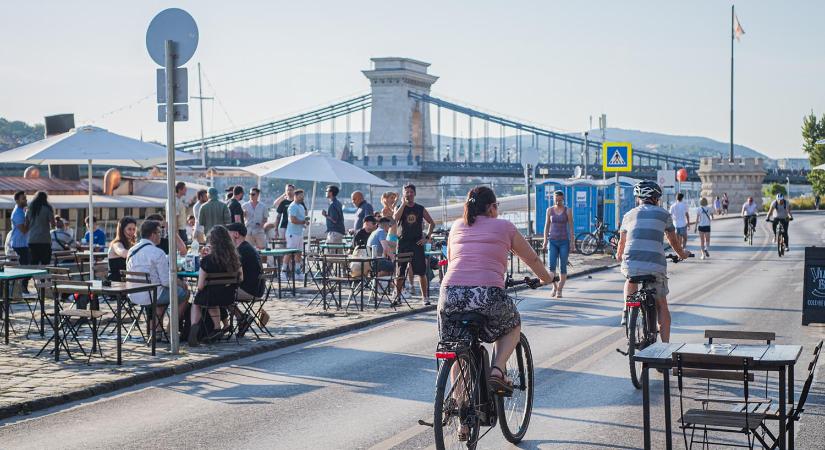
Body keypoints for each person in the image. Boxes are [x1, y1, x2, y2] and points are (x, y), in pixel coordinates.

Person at [440, 186, 555, 396]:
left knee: (456, 349)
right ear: (492, 207)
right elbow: (532, 259)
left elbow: (451, 258)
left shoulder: (456, 226)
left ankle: (460, 415)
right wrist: (546, 279)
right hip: (487, 293)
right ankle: (498, 370)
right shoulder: (505, 227)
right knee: (512, 324)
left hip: (450, 295)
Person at [616, 181, 689, 341]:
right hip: (655, 265)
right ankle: (664, 348)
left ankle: (628, 308)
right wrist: (682, 254)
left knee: (631, 278)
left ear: (639, 198)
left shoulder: (628, 215)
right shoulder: (664, 214)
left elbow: (621, 244)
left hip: (631, 263)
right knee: (662, 304)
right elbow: (673, 241)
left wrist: (619, 255)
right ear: (656, 199)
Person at [126, 220, 190, 337]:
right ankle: (171, 328)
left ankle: (158, 330)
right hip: (151, 295)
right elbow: (166, 282)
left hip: (133, 294)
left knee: (163, 294)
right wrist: (180, 283)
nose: (161, 235)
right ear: (153, 234)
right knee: (184, 293)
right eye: (160, 233)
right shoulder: (157, 252)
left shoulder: (132, 250)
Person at [188, 225, 242, 346]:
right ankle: (217, 328)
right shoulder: (235, 258)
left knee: (197, 302)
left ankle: (193, 329)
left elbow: (200, 286)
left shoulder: (207, 260)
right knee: (213, 296)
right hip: (229, 297)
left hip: (211, 297)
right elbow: (241, 278)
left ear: (212, 242)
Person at [393, 183, 436, 305]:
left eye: (411, 192)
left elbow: (432, 224)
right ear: (403, 194)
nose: (409, 194)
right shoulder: (399, 207)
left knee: (421, 272)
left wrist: (426, 238)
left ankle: (425, 298)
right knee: (400, 272)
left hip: (417, 243)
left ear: (415, 194)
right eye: (407, 192)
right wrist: (403, 204)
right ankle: (397, 296)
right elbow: (395, 219)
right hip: (403, 243)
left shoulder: (420, 208)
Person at [226, 222, 265, 337]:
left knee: (218, 293)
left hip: (250, 290)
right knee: (220, 291)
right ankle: (240, 318)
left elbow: (234, 273)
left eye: (228, 234)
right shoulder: (247, 247)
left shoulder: (241, 251)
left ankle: (237, 320)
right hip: (256, 289)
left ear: (236, 234)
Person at [542, 190, 575, 298]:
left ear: (563, 199)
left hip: (564, 242)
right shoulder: (549, 210)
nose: (558, 202)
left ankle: (560, 289)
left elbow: (571, 227)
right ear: (553, 199)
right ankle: (554, 287)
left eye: (560, 200)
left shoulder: (568, 211)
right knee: (551, 267)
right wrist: (545, 240)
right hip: (552, 241)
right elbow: (547, 226)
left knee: (562, 267)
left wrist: (572, 242)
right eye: (556, 200)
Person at [25, 191, 56, 266]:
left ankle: (33, 278)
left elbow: (26, 225)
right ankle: (44, 278)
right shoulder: (47, 209)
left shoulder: (29, 210)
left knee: (33, 263)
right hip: (45, 240)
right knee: (45, 264)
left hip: (32, 239)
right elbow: (53, 225)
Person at [285, 189, 310, 277]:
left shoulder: (301, 206)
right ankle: (283, 272)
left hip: (299, 233)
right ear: (295, 196)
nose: (302, 198)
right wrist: (303, 222)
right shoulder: (293, 206)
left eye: (303, 196)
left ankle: (297, 272)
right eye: (301, 196)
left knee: (299, 253)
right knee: (289, 252)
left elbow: (301, 219)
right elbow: (293, 220)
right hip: (292, 233)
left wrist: (305, 222)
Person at [10, 191, 30, 293]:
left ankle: (22, 288)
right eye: (23, 198)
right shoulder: (18, 212)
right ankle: (21, 289)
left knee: (28, 267)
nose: (26, 200)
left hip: (22, 244)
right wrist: (30, 219)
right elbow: (24, 230)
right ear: (17, 200)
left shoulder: (21, 211)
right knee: (26, 268)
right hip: (19, 245)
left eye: (25, 198)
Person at [108, 216, 137, 281]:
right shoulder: (116, 244)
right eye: (129, 229)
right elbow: (123, 253)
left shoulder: (131, 244)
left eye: (134, 229)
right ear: (122, 230)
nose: (132, 232)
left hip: (127, 281)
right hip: (116, 283)